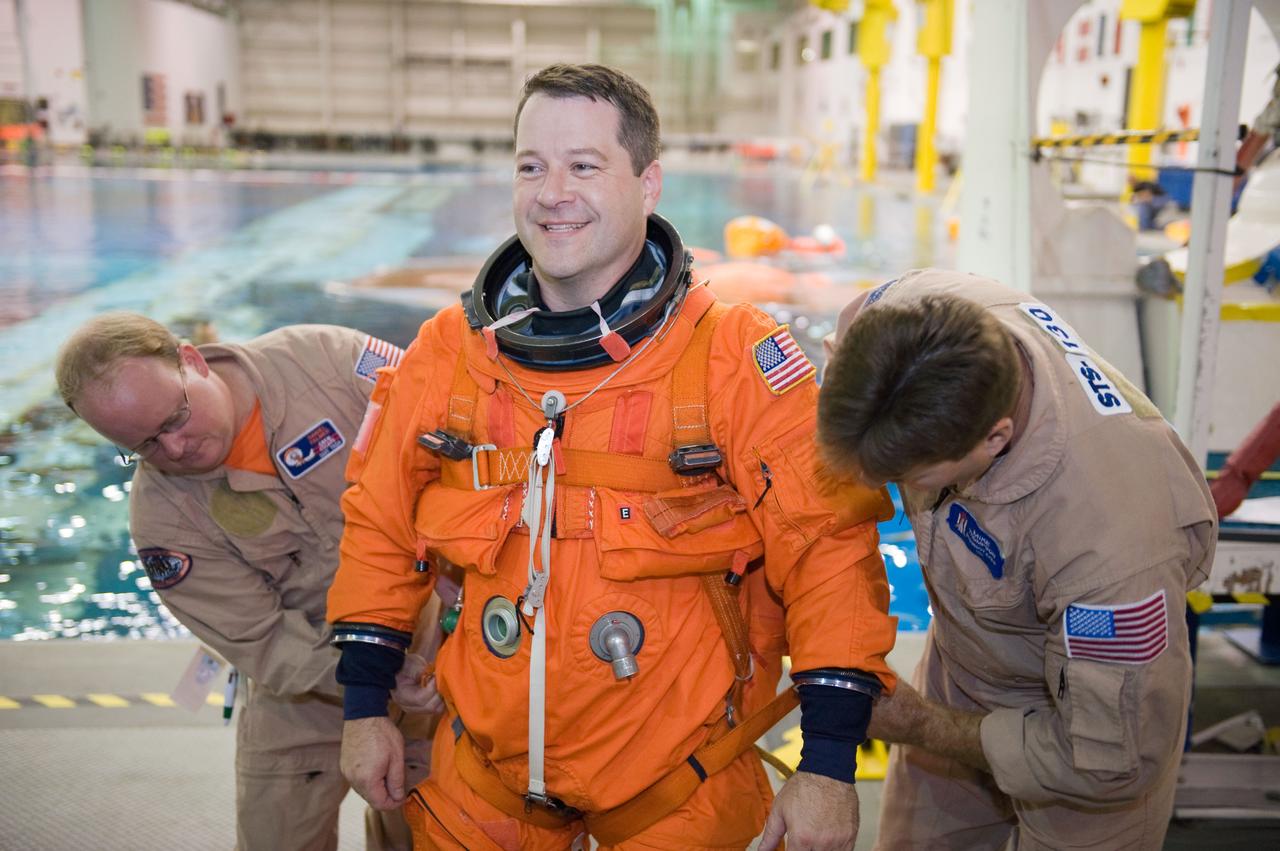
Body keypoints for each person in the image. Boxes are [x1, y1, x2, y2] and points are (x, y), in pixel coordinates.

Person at [326, 63, 899, 851]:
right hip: (482, 779)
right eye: (532, 167)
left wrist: (828, 765)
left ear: (648, 183)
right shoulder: (451, 353)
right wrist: (364, 708)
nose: (552, 193)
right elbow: (379, 524)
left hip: (681, 787)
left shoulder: (731, 357)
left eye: (584, 166)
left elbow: (829, 551)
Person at [818, 268, 1218, 850]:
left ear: (994, 439)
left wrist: (924, 725)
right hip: (966, 660)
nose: (880, 486)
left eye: (908, 478)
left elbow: (1111, 763)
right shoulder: (897, 317)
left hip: (1085, 734)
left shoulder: (1114, 549)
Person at [55, 314, 441, 851]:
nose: (175, 449)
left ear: (192, 360)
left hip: (434, 640)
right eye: (144, 446)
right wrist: (372, 679)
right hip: (308, 684)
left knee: (435, 830)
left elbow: (449, 446)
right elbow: (262, 637)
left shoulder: (325, 360)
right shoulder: (165, 522)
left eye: (175, 418)